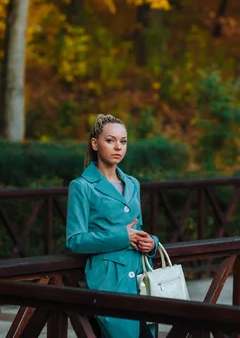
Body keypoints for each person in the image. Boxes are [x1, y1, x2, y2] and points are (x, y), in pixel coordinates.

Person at [66, 113, 159, 338]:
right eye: (111, 140)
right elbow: (74, 240)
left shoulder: (133, 183)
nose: (118, 147)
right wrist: (121, 236)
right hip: (109, 280)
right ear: (95, 143)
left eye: (123, 141)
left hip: (142, 278)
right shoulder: (81, 186)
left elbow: (139, 229)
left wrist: (152, 243)